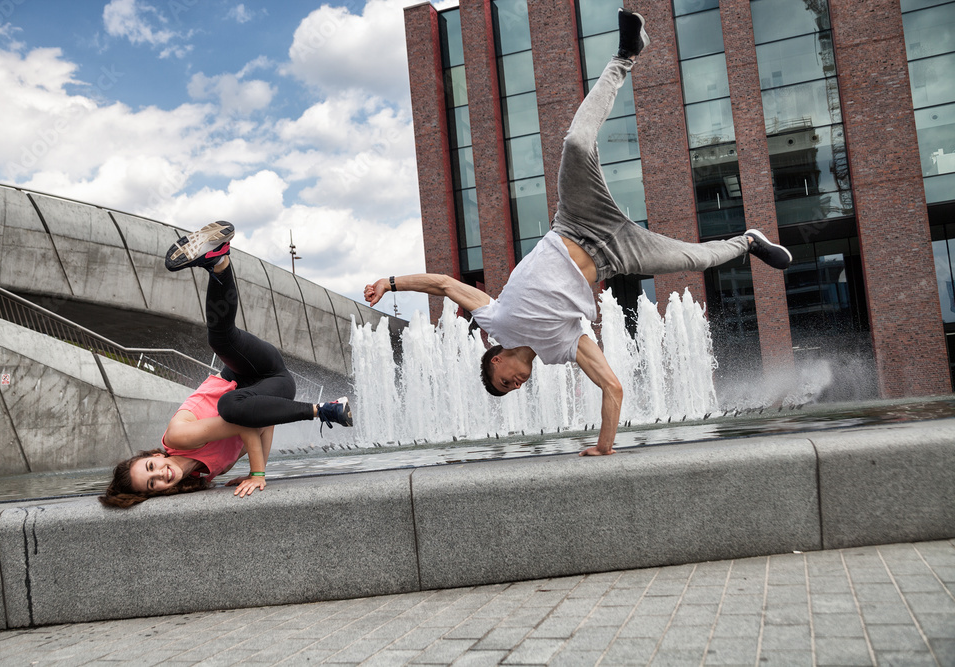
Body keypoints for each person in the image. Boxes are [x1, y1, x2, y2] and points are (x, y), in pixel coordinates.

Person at [364, 10, 791, 458]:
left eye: (506, 380)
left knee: (575, 144)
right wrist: (604, 447)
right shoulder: (559, 348)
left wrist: (390, 283)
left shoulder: (495, 321)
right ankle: (749, 242)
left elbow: (445, 285)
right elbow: (612, 385)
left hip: (575, 220)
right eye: (514, 389)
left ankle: (627, 53)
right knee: (694, 260)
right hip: (617, 255)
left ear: (495, 358)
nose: (517, 383)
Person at [100, 221, 353, 508]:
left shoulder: (178, 437)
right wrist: (255, 472)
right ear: (156, 493)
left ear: (154, 456)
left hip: (249, 370)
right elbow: (262, 421)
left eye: (150, 468)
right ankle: (218, 260)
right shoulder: (208, 473)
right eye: (152, 484)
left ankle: (218, 260)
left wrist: (257, 473)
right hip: (274, 386)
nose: (159, 475)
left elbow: (243, 420)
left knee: (222, 346)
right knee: (237, 405)